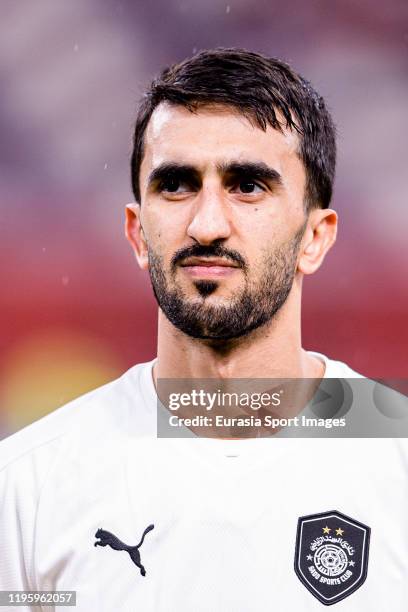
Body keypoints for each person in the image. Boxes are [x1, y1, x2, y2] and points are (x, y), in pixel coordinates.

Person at [0, 48, 406, 611]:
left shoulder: (396, 464)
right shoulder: (27, 491)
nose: (208, 224)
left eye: (247, 186)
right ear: (138, 234)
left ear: (315, 238)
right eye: (176, 185)